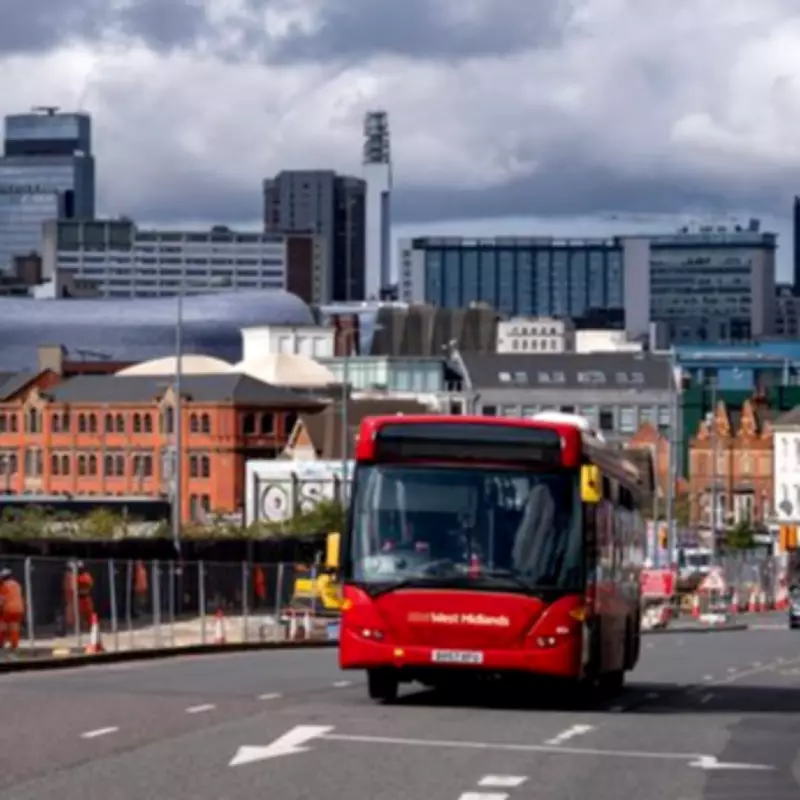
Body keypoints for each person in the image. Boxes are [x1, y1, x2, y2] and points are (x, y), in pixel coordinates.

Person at [0, 568, 25, 653]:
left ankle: (1, 644)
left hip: (8, 608)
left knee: (2, 626)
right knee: (14, 627)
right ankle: (14, 645)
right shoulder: (17, 584)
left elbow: (1, 599)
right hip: (19, 608)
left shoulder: (3, 585)